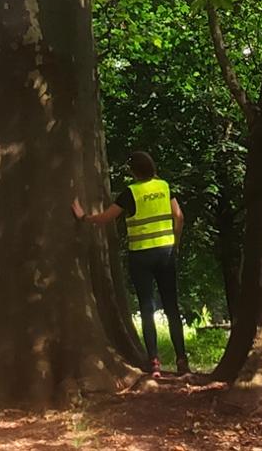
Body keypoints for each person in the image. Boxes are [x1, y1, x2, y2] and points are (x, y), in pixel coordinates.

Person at [72, 150, 189, 375]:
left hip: (141, 256)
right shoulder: (164, 187)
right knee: (172, 306)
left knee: (147, 307)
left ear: (133, 171)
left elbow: (106, 217)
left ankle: (154, 361)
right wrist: (176, 242)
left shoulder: (131, 192)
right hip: (165, 253)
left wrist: (83, 217)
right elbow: (179, 216)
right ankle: (182, 360)